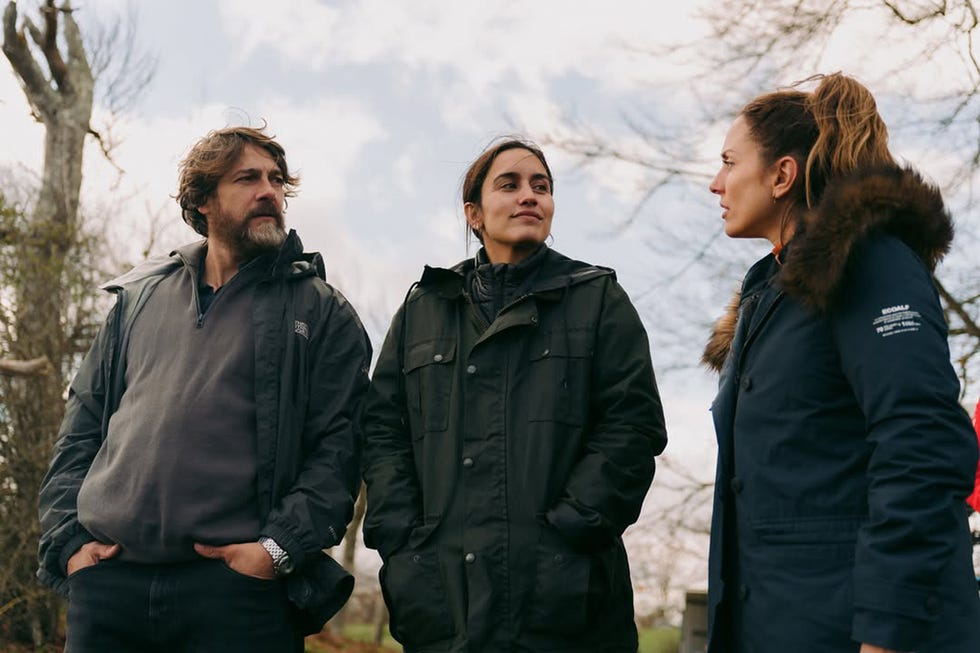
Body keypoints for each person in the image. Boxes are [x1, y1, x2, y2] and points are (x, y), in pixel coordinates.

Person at [37, 125, 372, 652]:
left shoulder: (322, 311)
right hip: (109, 589)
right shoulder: (137, 298)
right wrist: (70, 544)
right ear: (202, 200)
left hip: (238, 596)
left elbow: (339, 451)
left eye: (277, 180)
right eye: (248, 178)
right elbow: (80, 429)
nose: (269, 191)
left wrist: (275, 551)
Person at [702, 72, 980, 653]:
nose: (715, 183)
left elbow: (920, 442)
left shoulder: (870, 263)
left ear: (782, 174)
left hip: (857, 630)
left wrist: (888, 630)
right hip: (784, 623)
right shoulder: (767, 298)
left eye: (730, 162)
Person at [361, 137, 667, 652]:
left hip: (566, 606)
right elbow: (382, 433)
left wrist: (567, 537)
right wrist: (404, 546)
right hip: (441, 603)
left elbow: (632, 430)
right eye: (510, 184)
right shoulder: (421, 310)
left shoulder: (597, 300)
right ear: (473, 213)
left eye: (541, 186)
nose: (530, 196)